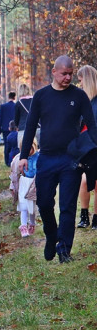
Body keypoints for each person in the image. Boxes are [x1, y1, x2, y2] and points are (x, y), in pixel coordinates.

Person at [19, 56, 97, 263]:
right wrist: (24, 156)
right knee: (44, 203)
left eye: (71, 73)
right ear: (53, 72)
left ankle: (64, 249)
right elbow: (30, 126)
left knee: (68, 206)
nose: (68, 77)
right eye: (64, 73)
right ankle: (51, 234)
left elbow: (92, 125)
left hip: (71, 160)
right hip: (47, 157)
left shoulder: (79, 96)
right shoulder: (41, 96)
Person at [75, 65, 97, 229]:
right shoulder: (82, 100)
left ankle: (96, 217)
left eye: (81, 80)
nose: (79, 83)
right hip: (84, 148)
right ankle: (84, 215)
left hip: (95, 146)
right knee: (83, 182)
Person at [10, 134, 38, 238]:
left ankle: (32, 223)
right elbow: (14, 174)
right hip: (24, 183)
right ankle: (23, 226)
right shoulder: (18, 159)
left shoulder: (38, 157)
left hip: (34, 184)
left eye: (30, 148)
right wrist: (13, 186)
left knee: (32, 206)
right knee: (24, 207)